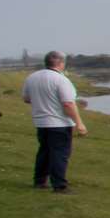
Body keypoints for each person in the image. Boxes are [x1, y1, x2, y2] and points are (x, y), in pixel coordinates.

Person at [21, 51, 85, 192]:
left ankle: (39, 180)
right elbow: (68, 104)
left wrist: (42, 102)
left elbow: (26, 98)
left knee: (44, 151)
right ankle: (59, 185)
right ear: (61, 63)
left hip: (41, 122)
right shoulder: (61, 80)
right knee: (60, 154)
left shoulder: (32, 77)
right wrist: (79, 123)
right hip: (59, 123)